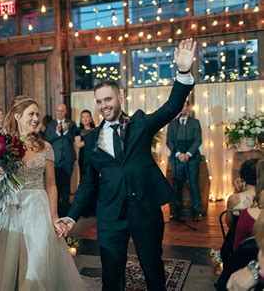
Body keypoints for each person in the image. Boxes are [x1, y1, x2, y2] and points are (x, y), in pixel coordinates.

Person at [56, 38, 197, 291]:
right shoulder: (91, 141)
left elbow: (171, 107)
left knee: (152, 267)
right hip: (110, 215)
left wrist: (183, 72)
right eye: (99, 102)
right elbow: (88, 184)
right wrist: (70, 216)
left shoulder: (140, 123)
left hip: (144, 210)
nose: (103, 106)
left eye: (108, 99)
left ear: (120, 96)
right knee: (111, 274)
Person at [0, 95, 85, 290]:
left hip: (38, 208)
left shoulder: (46, 147)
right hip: (11, 209)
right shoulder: (1, 147)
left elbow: (51, 185)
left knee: (38, 260)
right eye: (31, 114)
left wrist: (54, 216)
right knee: (10, 263)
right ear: (17, 116)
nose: (36, 118)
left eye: (37, 114)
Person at [166, 100, 203, 221]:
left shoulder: (195, 123)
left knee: (193, 185)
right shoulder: (172, 124)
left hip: (192, 159)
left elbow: (198, 140)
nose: (182, 108)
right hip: (177, 160)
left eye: (184, 105)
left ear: (188, 107)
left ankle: (197, 211)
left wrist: (188, 154)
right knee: (177, 186)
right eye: (180, 106)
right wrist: (178, 154)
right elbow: (169, 141)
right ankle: (176, 211)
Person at [44, 103, 78, 217]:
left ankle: (66, 214)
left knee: (66, 187)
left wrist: (67, 131)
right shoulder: (50, 125)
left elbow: (74, 139)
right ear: (55, 111)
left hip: (68, 159)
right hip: (55, 160)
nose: (60, 112)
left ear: (65, 112)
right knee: (55, 186)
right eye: (58, 110)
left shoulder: (72, 124)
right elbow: (47, 140)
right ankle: (55, 212)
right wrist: (58, 132)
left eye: (62, 111)